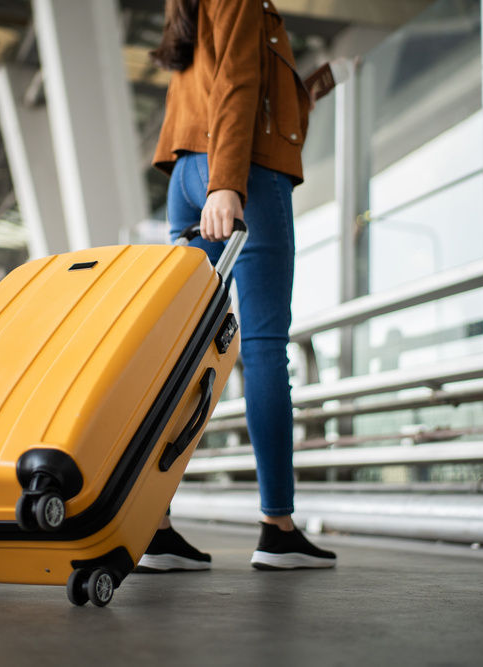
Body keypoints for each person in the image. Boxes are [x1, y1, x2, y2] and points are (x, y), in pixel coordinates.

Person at [137, 0, 335, 571]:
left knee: (185, 354)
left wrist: (319, 82)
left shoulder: (188, 6)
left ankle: (156, 525)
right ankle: (278, 527)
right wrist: (228, 183)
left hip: (185, 176)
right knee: (266, 347)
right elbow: (238, 81)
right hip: (241, 169)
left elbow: (232, 84)